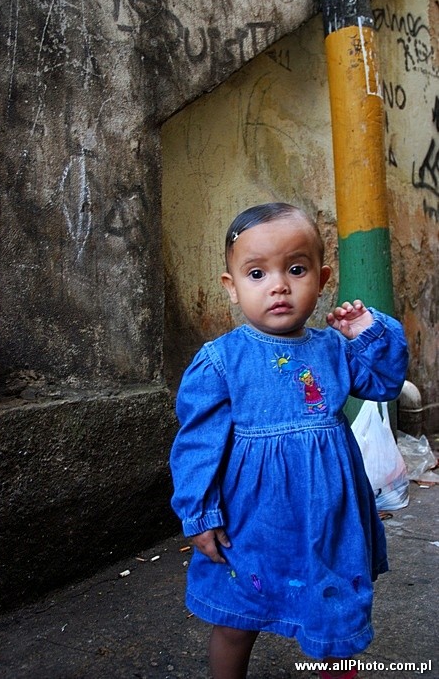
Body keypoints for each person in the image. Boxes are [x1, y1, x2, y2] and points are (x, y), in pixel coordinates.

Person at [169, 202, 408, 679]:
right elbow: (196, 445)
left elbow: (384, 382)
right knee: (237, 620)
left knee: (334, 621)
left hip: (329, 519)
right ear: (231, 288)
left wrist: (369, 333)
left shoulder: (335, 349)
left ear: (321, 280)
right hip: (252, 522)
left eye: (296, 269)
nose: (278, 285)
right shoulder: (220, 361)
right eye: (256, 273)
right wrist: (198, 514)